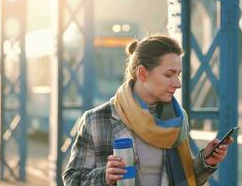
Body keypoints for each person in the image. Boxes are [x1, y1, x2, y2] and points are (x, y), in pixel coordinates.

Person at [63, 35, 233, 186]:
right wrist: (105, 177)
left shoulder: (176, 119)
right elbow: (72, 180)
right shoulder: (97, 119)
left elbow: (183, 179)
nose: (178, 83)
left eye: (178, 75)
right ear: (143, 73)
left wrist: (205, 161)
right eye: (169, 75)